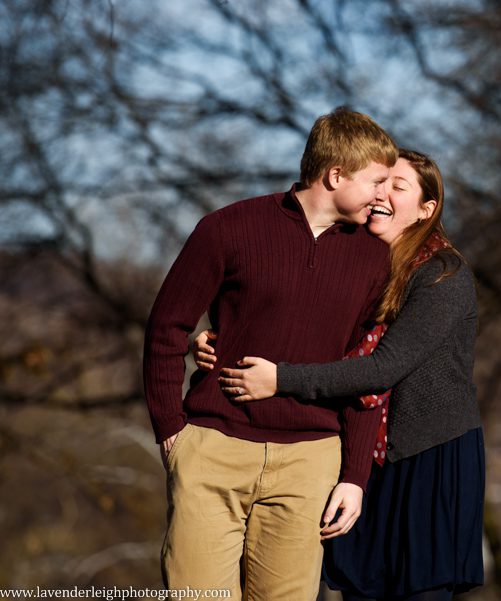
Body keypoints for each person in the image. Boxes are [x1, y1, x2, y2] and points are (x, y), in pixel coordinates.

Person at [193, 149, 484, 601]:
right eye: (379, 182)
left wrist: (280, 380)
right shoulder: (359, 262)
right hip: (365, 455)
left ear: (427, 210)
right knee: (359, 588)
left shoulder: (442, 275)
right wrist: (218, 340)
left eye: (398, 187)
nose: (381, 194)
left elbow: (381, 368)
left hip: (428, 458)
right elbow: (297, 323)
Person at [143, 107, 397, 600]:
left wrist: (355, 476)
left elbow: (365, 370)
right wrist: (170, 430)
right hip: (213, 449)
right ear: (336, 174)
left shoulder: (374, 258)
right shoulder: (227, 228)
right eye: (377, 182)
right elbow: (166, 328)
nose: (383, 196)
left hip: (310, 462)